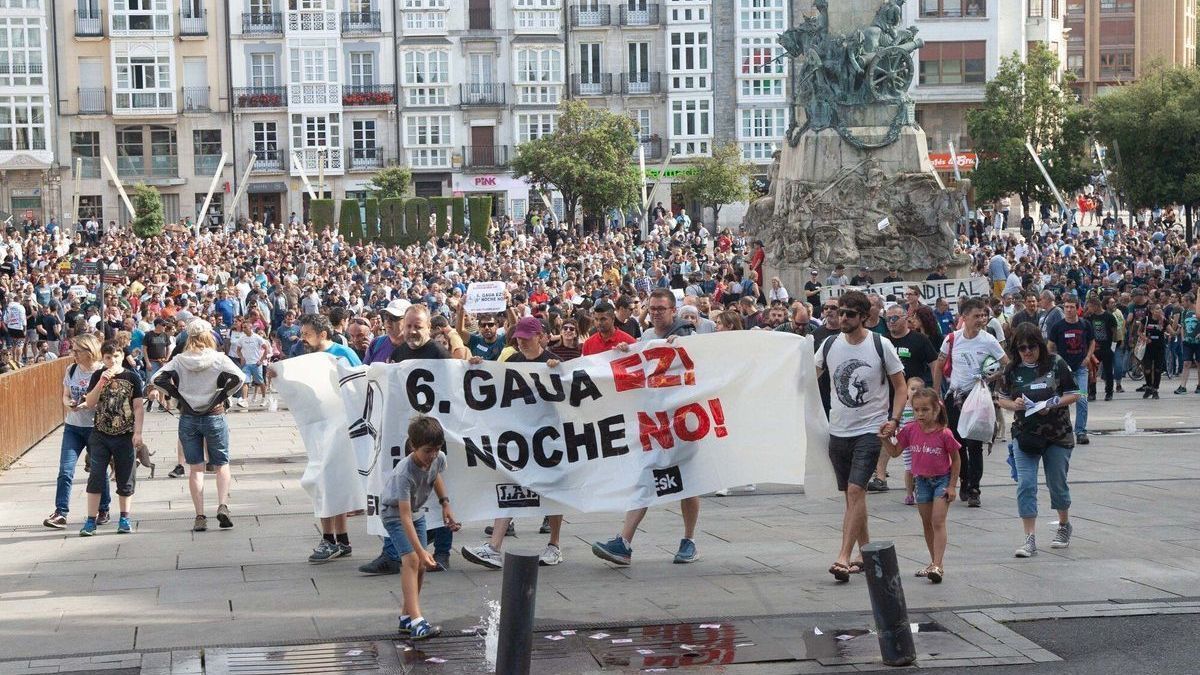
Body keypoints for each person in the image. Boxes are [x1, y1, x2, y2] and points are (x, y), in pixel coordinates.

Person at [592, 289, 700, 566]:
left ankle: (688, 540)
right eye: (651, 308)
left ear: (673, 310)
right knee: (645, 475)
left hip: (684, 421)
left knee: (687, 483)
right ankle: (624, 542)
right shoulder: (648, 338)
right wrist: (627, 353)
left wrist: (687, 348)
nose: (655, 313)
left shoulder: (689, 335)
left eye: (661, 309)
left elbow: (702, 370)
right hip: (656, 421)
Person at [814, 290, 908, 582]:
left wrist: (893, 420)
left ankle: (843, 556)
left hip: (871, 429)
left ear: (864, 317)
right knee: (853, 497)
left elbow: (901, 387)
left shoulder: (880, 345)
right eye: (840, 312)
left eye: (850, 314)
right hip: (838, 429)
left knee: (856, 491)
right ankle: (866, 552)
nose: (843, 318)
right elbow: (805, 376)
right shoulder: (829, 344)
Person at [461, 317, 566, 569]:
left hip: (546, 438)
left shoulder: (552, 361)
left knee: (551, 491)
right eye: (518, 337)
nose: (520, 341)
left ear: (540, 336)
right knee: (508, 483)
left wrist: (558, 372)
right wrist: (478, 367)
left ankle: (554, 545)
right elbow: (494, 381)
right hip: (518, 437)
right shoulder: (512, 360)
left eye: (526, 337)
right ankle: (494, 547)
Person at [360, 305, 455, 575]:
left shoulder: (439, 354)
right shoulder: (399, 353)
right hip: (407, 440)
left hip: (435, 438)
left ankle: (443, 553)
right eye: (409, 326)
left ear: (429, 328)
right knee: (405, 494)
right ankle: (396, 551)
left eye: (418, 326)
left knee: (440, 494)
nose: (413, 331)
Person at [152, 321, 246, 532]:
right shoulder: (218, 358)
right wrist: (223, 394)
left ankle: (200, 515)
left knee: (196, 468)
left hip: (189, 416)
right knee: (221, 463)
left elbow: (156, 378)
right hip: (214, 414)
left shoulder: (180, 359)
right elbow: (240, 377)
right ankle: (222, 505)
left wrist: (177, 395)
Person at [995, 323, 1079, 558]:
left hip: (1057, 433)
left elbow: (1074, 393)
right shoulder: (1012, 369)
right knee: (1026, 484)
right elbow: (1001, 399)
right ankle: (1029, 537)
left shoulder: (1056, 363)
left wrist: (1053, 403)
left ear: (1040, 345)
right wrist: (1015, 405)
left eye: (1031, 347)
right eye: (1022, 348)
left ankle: (1064, 525)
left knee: (1057, 483)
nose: (1027, 352)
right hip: (1026, 434)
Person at [379, 416, 460, 640]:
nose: (432, 455)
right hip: (394, 513)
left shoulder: (437, 458)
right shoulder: (404, 472)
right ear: (413, 447)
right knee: (413, 559)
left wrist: (445, 504)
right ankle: (417, 621)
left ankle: (406, 618)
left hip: (416, 512)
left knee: (422, 566)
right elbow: (403, 516)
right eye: (427, 451)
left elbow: (435, 477)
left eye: (437, 449)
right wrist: (421, 550)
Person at [297, 313, 362, 563]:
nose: (302, 338)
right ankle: (341, 539)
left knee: (326, 480)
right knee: (328, 480)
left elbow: (360, 378)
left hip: (342, 426)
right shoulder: (307, 357)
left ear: (322, 334)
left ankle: (329, 539)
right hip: (320, 426)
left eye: (307, 334)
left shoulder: (343, 353)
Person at [932, 298, 1008, 508]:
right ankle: (964, 479)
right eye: (976, 316)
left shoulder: (988, 340)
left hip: (978, 399)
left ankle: (974, 488)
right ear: (963, 317)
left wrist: (992, 376)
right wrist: (937, 394)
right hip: (956, 398)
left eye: (983, 315)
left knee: (975, 444)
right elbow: (939, 366)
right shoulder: (951, 339)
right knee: (957, 444)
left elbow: (1006, 364)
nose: (981, 320)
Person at [881, 387, 959, 583]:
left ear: (936, 410)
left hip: (941, 479)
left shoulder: (945, 434)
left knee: (938, 521)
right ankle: (933, 562)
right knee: (927, 523)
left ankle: (938, 565)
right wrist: (884, 440)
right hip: (921, 481)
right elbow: (895, 452)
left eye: (925, 410)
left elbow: (956, 460)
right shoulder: (910, 430)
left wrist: (952, 485)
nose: (920, 414)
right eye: (916, 410)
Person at [43, 335, 111, 529]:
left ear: (89, 352)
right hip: (73, 427)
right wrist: (69, 404)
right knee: (65, 469)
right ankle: (60, 512)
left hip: (95, 428)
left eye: (77, 351)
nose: (73, 354)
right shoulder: (71, 369)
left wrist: (86, 404)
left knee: (98, 470)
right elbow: (65, 395)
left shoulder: (102, 372)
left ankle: (103, 508)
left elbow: (106, 399)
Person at [79, 341, 146, 536]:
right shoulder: (97, 376)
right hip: (100, 434)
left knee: (125, 477)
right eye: (108, 357)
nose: (112, 360)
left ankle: (124, 518)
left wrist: (138, 432)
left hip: (124, 435)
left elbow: (138, 407)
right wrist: (101, 382)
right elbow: (90, 403)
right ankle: (91, 520)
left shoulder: (132, 377)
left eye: (116, 356)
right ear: (103, 358)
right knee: (96, 476)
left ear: (122, 356)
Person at [869, 304, 938, 493]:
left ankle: (919, 472)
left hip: (915, 399)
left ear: (905, 318)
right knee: (887, 433)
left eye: (894, 318)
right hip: (886, 396)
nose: (890, 322)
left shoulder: (919, 340)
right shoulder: (882, 341)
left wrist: (935, 391)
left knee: (917, 435)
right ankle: (880, 476)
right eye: (888, 318)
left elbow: (934, 364)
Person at [1047, 297, 1094, 445]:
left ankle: (1080, 431)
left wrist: (1088, 357)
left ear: (1077, 308)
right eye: (1066, 307)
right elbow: (1050, 346)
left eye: (1072, 307)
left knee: (1082, 399)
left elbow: (1092, 341)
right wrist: (1054, 362)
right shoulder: (1058, 326)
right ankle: (1058, 429)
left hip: (1080, 368)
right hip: (1063, 370)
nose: (1068, 310)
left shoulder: (1085, 325)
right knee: (1058, 400)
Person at [1174, 294, 1200, 395]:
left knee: (1199, 363)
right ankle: (1183, 386)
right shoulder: (1184, 312)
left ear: (1189, 301)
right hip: (1187, 342)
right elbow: (1183, 326)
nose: (1182, 303)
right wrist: (1183, 337)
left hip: (1198, 342)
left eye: (1183, 301)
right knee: (1186, 363)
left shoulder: (1198, 311)